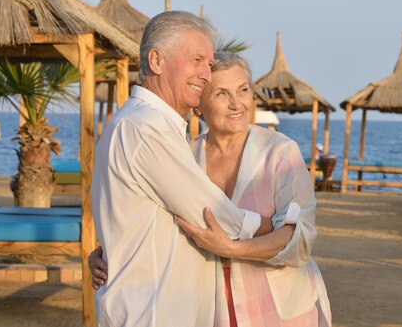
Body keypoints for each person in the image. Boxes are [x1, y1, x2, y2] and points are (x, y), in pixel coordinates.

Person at [91, 52, 331, 326]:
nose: (236, 103)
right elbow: (149, 219)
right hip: (211, 310)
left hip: (280, 311)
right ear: (198, 106)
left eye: (243, 90)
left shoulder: (280, 152)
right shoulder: (184, 156)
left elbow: (299, 238)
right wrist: (108, 253)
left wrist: (230, 248)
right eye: (221, 94)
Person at [91, 11, 271, 327]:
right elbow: (217, 219)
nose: (206, 74)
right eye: (197, 60)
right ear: (157, 61)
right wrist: (285, 224)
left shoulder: (147, 125)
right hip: (152, 313)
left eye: (209, 64)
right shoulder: (146, 129)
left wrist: (108, 250)